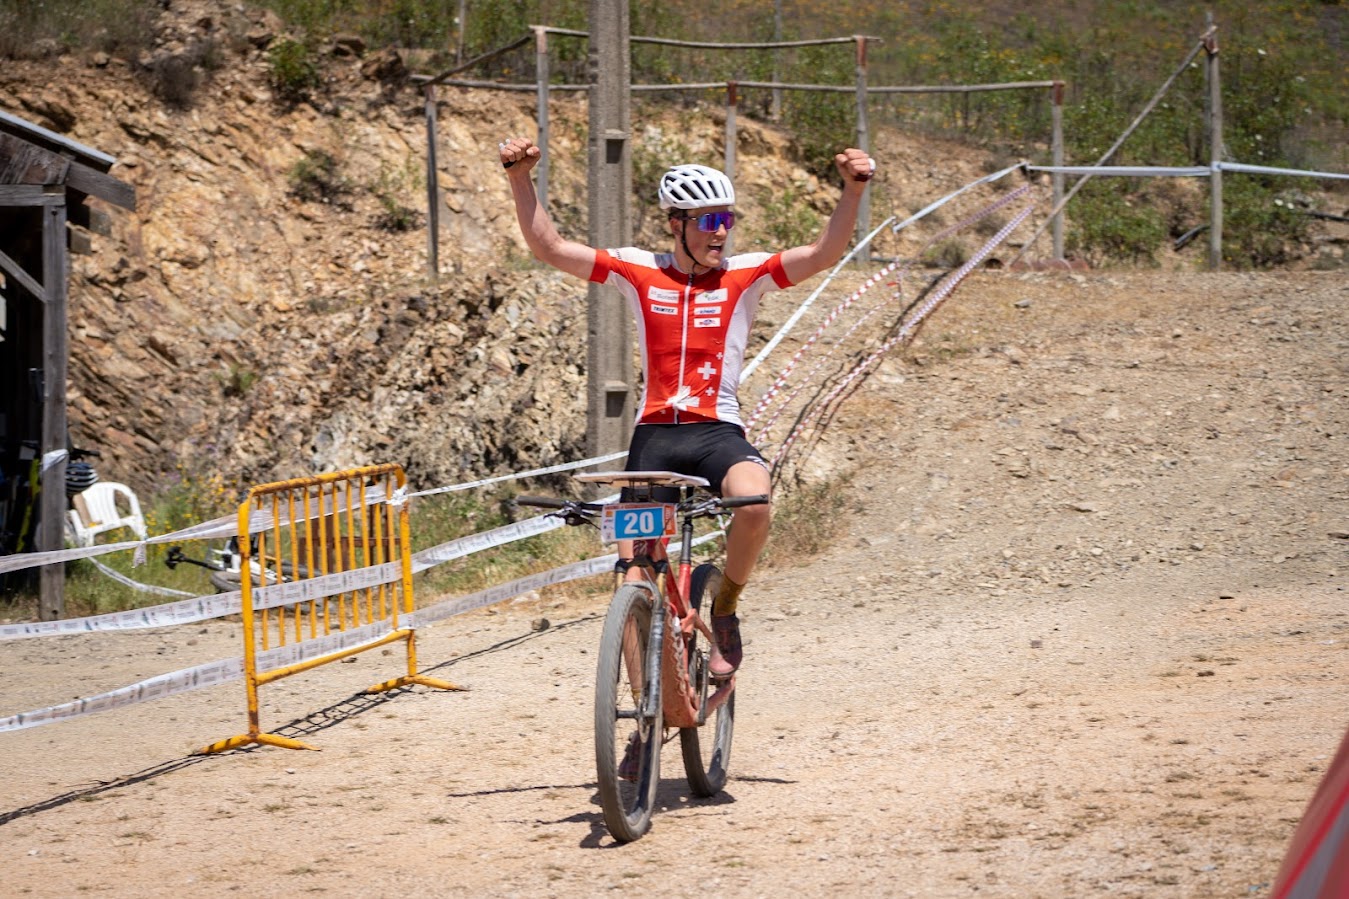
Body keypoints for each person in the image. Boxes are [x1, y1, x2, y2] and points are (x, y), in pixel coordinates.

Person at [501, 135, 875, 678]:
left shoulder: (744, 275)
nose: (720, 229)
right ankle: (639, 728)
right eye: (705, 220)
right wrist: (520, 178)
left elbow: (824, 254)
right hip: (655, 435)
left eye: (725, 217)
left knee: (754, 502)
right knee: (632, 579)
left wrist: (852, 191)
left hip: (716, 432)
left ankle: (724, 609)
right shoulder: (638, 269)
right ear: (675, 224)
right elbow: (552, 249)